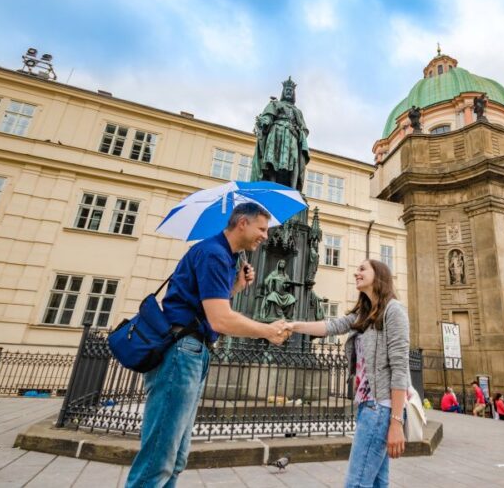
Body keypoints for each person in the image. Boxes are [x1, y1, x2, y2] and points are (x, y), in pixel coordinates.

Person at [126, 203, 292, 487]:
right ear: (242, 223)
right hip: (182, 352)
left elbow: (206, 305)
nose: (265, 236)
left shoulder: (224, 256)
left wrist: (237, 286)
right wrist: (267, 331)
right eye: (262, 229)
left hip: (193, 351)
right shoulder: (213, 253)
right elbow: (220, 320)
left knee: (175, 457)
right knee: (159, 457)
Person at [288, 259, 410, 488]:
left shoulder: (394, 311)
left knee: (357, 483)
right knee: (375, 482)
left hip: (381, 408)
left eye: (362, 269)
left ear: (379, 275)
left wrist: (396, 422)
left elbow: (400, 368)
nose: (356, 273)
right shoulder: (363, 314)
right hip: (368, 406)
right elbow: (331, 326)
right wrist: (293, 326)